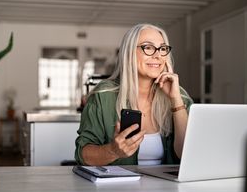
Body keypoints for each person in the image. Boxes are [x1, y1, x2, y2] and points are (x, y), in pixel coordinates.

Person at [75, 23, 193, 166]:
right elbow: (83, 155)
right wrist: (113, 151)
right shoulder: (103, 95)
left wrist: (176, 101)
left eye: (162, 49)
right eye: (148, 47)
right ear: (129, 53)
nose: (157, 55)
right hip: (119, 187)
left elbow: (188, 155)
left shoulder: (179, 96)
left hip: (169, 188)